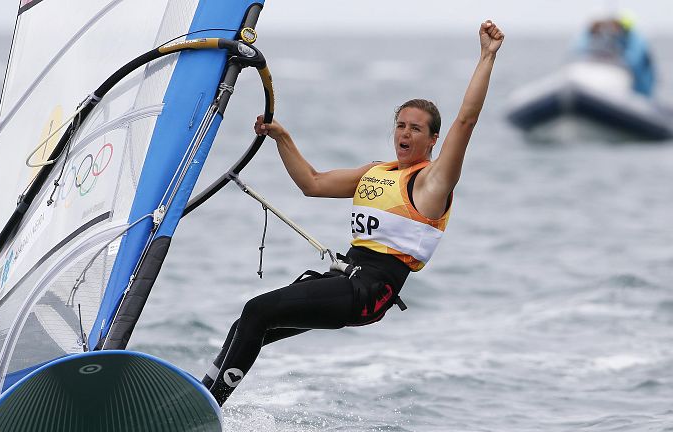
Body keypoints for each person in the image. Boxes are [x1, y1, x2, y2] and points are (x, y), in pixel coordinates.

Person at [202, 21, 505, 406]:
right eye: (400, 125)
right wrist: (282, 137)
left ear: (433, 140)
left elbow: (466, 120)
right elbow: (311, 183)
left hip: (371, 291)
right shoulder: (375, 173)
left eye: (416, 128)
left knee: (256, 310)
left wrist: (486, 56)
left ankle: (211, 403)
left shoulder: (432, 183)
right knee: (248, 323)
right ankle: (199, 395)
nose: (405, 133)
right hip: (345, 276)